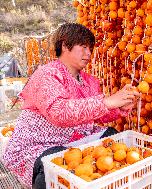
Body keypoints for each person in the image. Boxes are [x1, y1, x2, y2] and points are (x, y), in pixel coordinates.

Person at [2, 23, 139, 189]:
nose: (88, 53)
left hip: (74, 141)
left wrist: (121, 106)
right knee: (54, 169)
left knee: (111, 136)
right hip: (41, 145)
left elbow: (97, 113)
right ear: (65, 45)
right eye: (83, 47)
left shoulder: (88, 81)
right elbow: (59, 112)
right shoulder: (47, 74)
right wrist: (108, 101)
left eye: (90, 48)